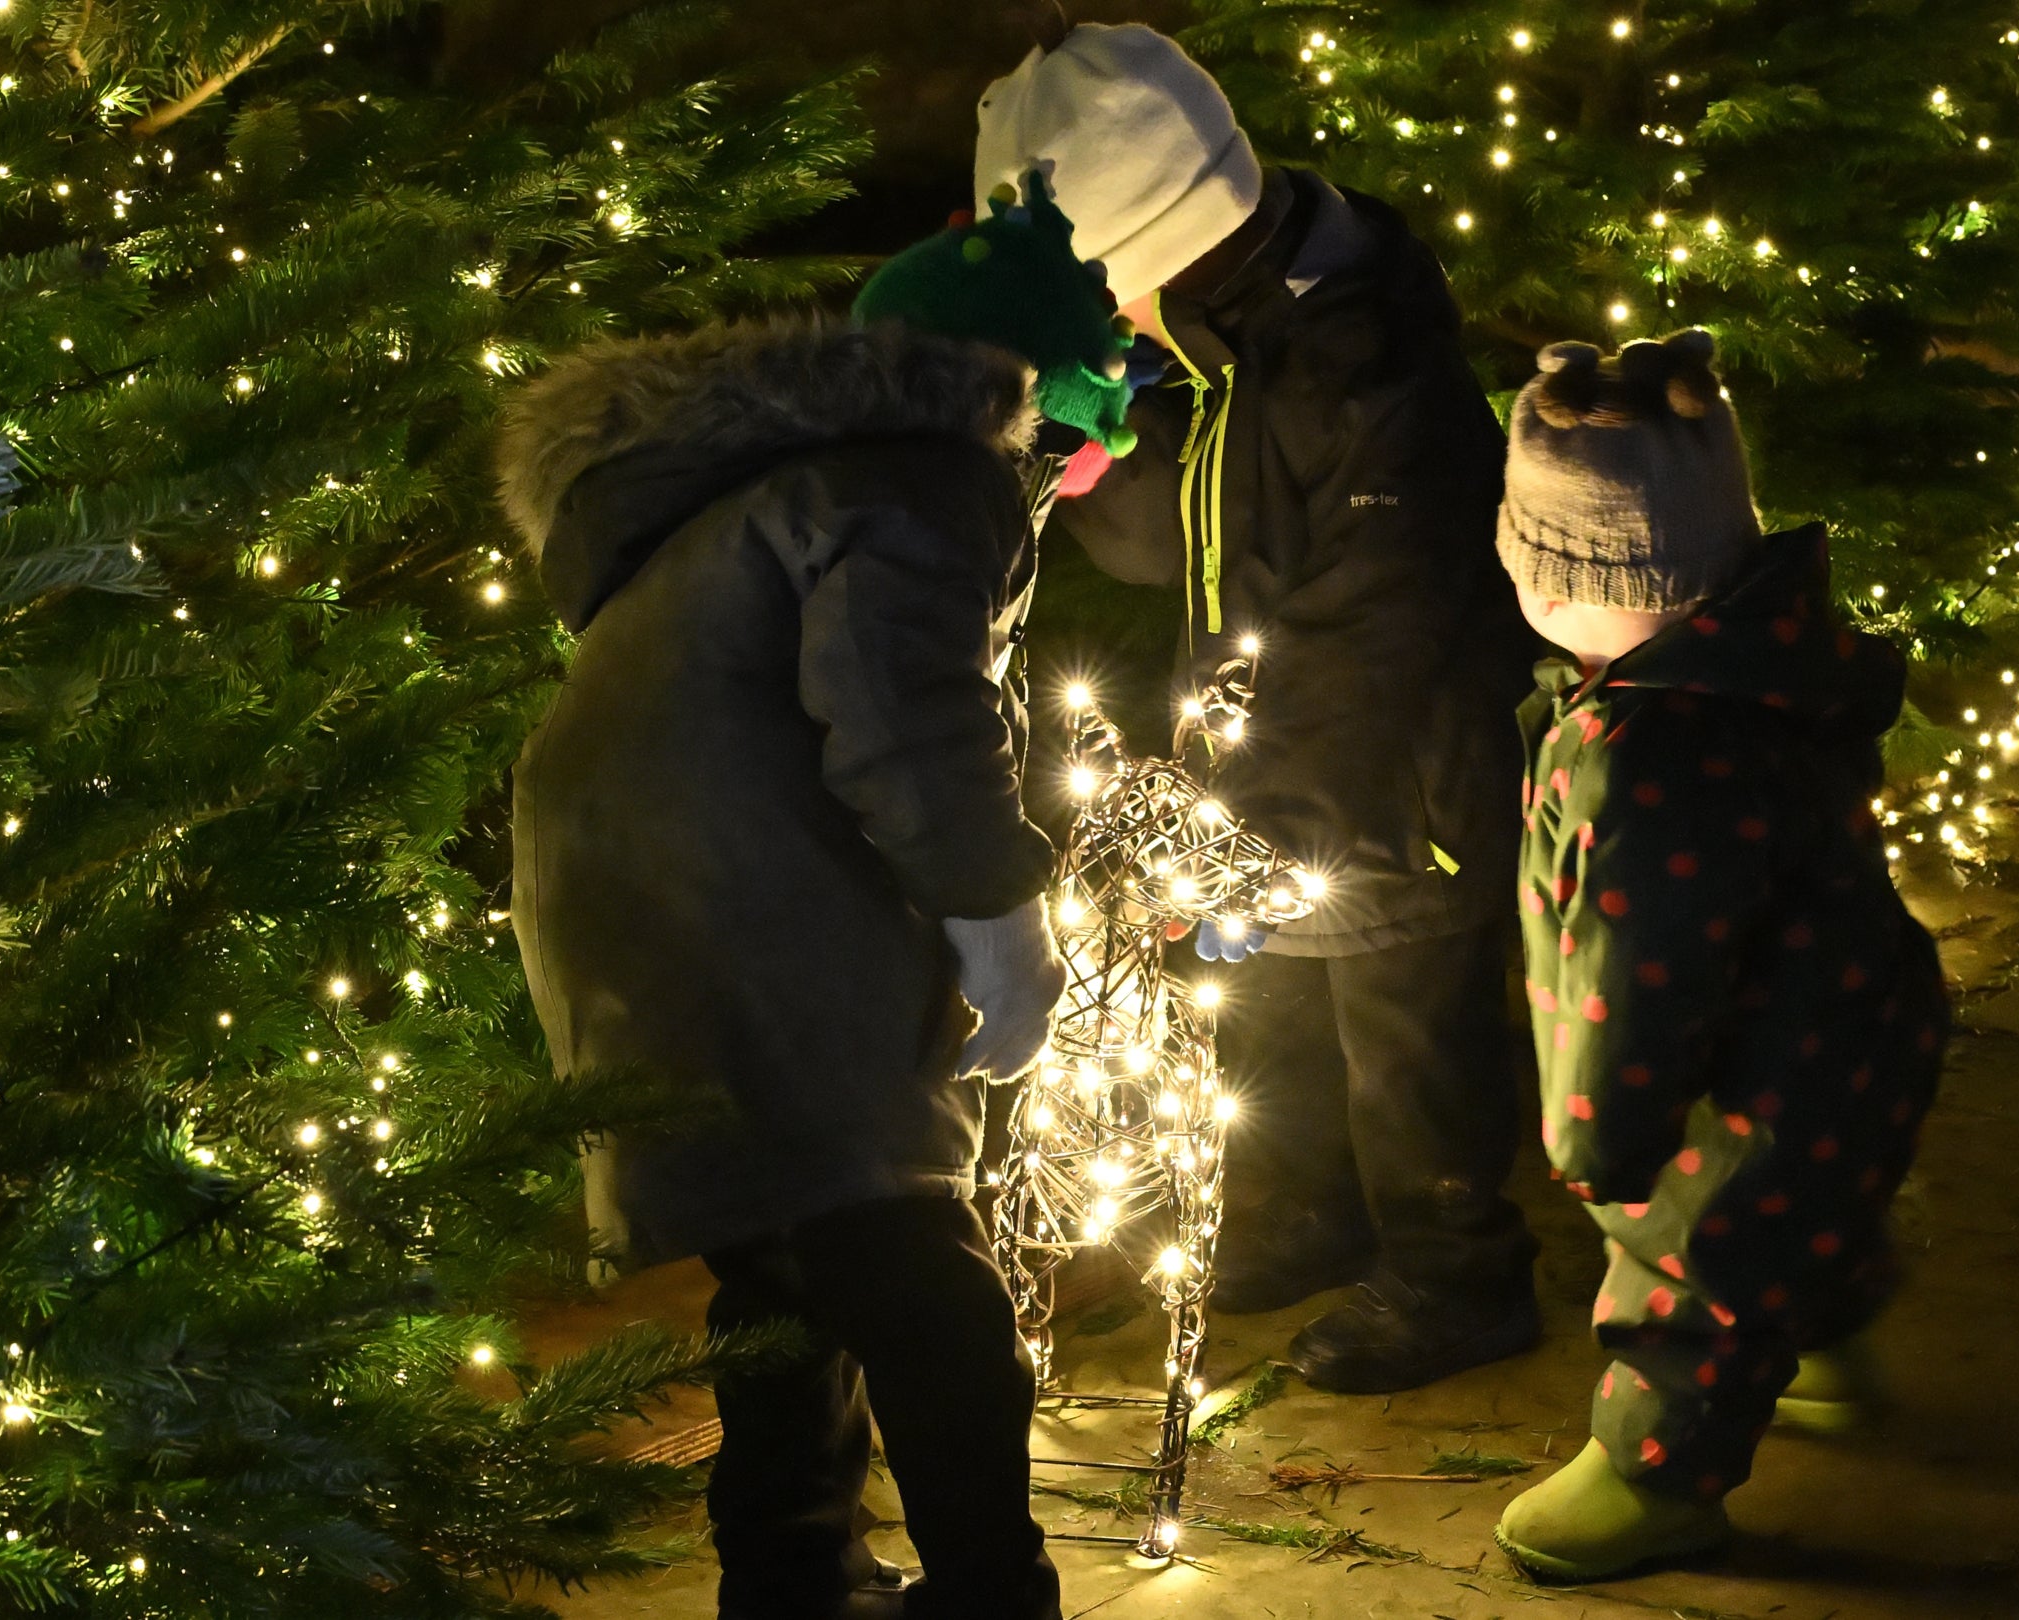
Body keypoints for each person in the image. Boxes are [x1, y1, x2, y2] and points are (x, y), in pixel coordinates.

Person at [498, 182, 1137, 1620]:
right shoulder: (923, 478)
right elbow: (905, 709)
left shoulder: (776, 487)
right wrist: (998, 920)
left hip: (627, 896)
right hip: (750, 896)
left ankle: (793, 1580)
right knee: (914, 1263)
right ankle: (991, 1589)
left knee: (786, 1262)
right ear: (1022, 386)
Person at [973, 23, 1540, 1393]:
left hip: (1398, 796)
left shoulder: (1363, 372)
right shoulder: (1243, 350)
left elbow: (1371, 622)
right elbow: (1197, 544)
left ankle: (1458, 1268)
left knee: (1407, 1041)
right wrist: (1113, 453)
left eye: (1109, 302)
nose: (1113, 333)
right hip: (1276, 779)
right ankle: (1308, 1212)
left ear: (1154, 252)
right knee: (1280, 1018)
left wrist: (1274, 811)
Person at [1484, 333, 1946, 1581]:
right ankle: (1833, 1343)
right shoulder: (1767, 662)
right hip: (1860, 1019)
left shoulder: (1649, 753)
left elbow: (1640, 965)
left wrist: (1600, 1135)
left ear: (1568, 577)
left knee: (1699, 1260)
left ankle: (1656, 1480)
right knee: (1814, 1207)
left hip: (1748, 1074)